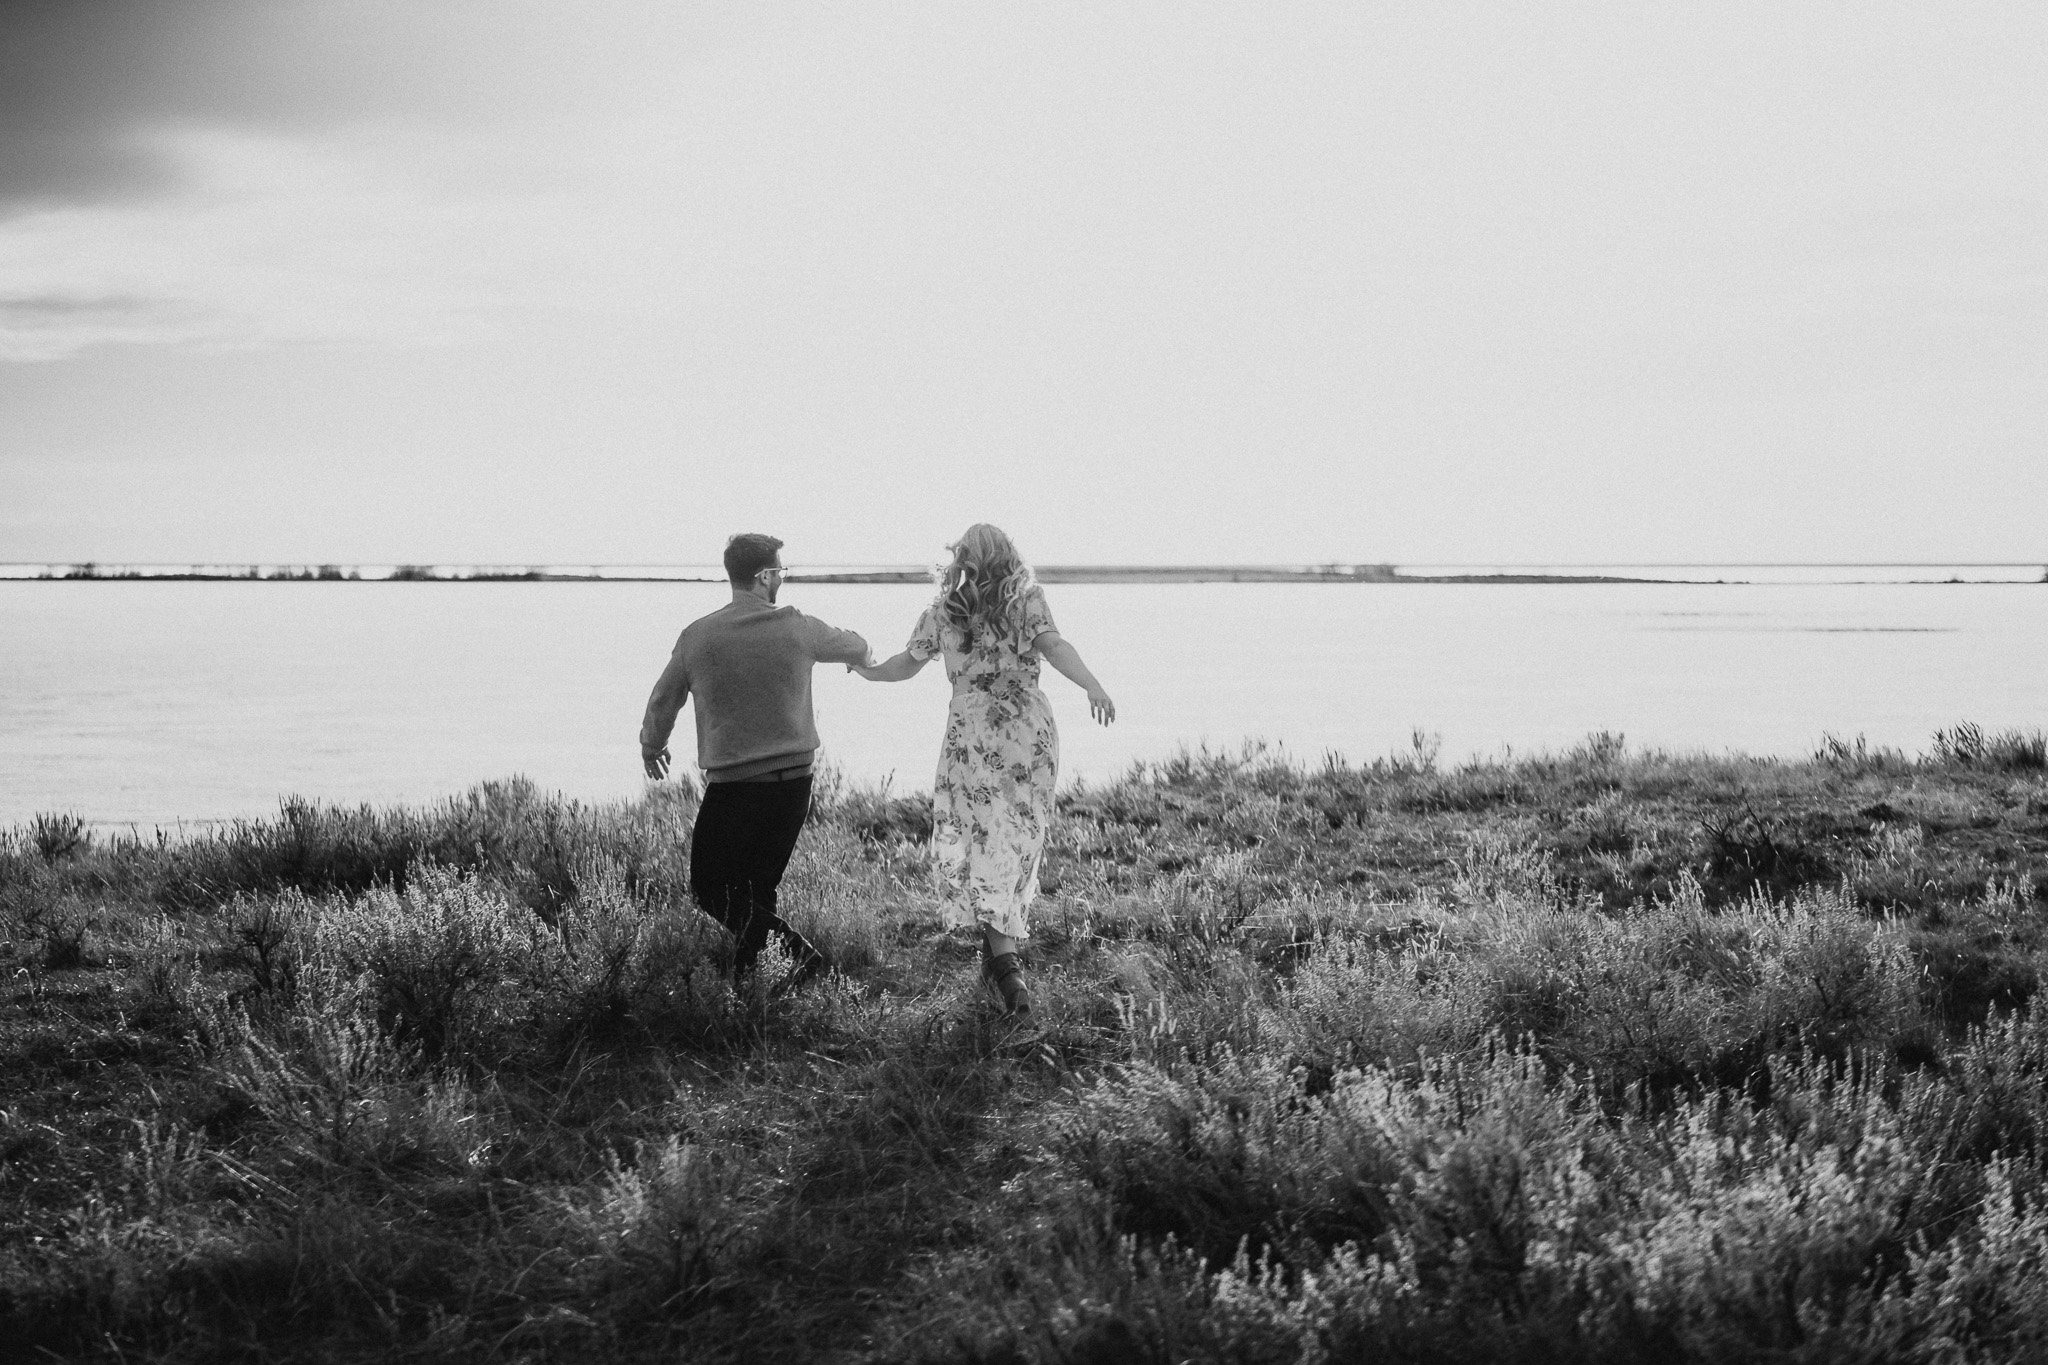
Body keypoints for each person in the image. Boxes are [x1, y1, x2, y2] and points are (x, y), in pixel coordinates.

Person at [852, 524, 1114, 1015]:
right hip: (1026, 728)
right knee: (1017, 834)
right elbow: (1054, 647)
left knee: (986, 836)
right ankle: (1003, 958)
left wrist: (864, 668)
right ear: (1009, 556)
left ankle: (1002, 957)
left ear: (962, 560)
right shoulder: (1026, 601)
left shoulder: (943, 612)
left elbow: (904, 666)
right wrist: (1092, 685)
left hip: (973, 731)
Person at [640, 533, 872, 989]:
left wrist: (653, 745)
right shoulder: (798, 627)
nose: (782, 580)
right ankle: (754, 983)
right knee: (755, 892)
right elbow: (856, 645)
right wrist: (860, 658)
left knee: (712, 889)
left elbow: (664, 700)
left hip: (737, 786)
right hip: (795, 787)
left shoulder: (698, 635)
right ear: (765, 576)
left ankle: (798, 959)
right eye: (781, 572)